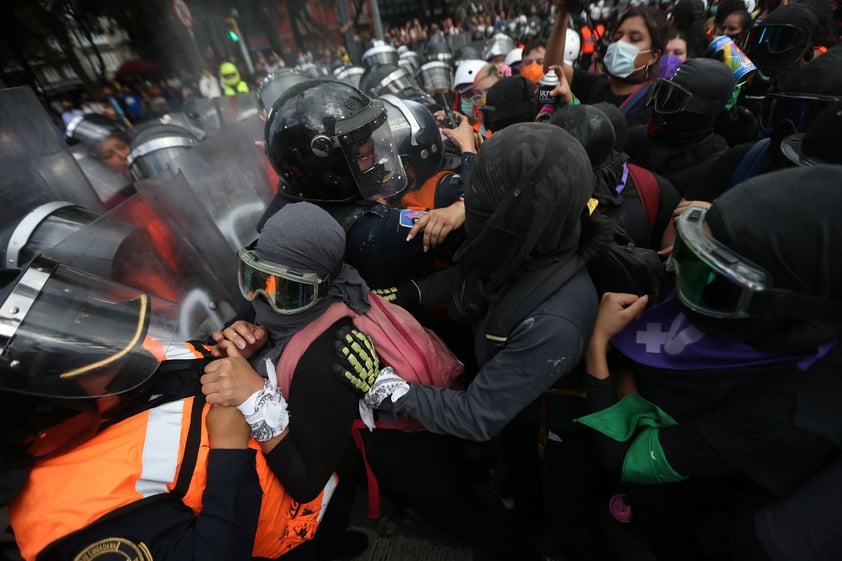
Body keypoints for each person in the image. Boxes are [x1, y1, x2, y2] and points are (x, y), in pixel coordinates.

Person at [578, 165, 842, 560]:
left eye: (714, 277)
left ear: (781, 300)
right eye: (691, 249)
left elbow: (629, 457)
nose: (675, 271)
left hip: (677, 501)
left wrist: (600, 349)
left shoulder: (793, 413)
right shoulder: (767, 308)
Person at [2, 256, 335, 561]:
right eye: (88, 356)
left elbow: (178, 378)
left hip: (306, 490)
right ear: (47, 407)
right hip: (278, 547)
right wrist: (229, 450)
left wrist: (232, 350)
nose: (123, 349)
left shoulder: (126, 353)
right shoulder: (67, 519)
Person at [546, 2, 668, 126]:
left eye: (634, 39)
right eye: (616, 38)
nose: (621, 43)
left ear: (653, 56)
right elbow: (553, 68)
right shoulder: (596, 85)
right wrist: (563, 13)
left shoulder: (656, 103)